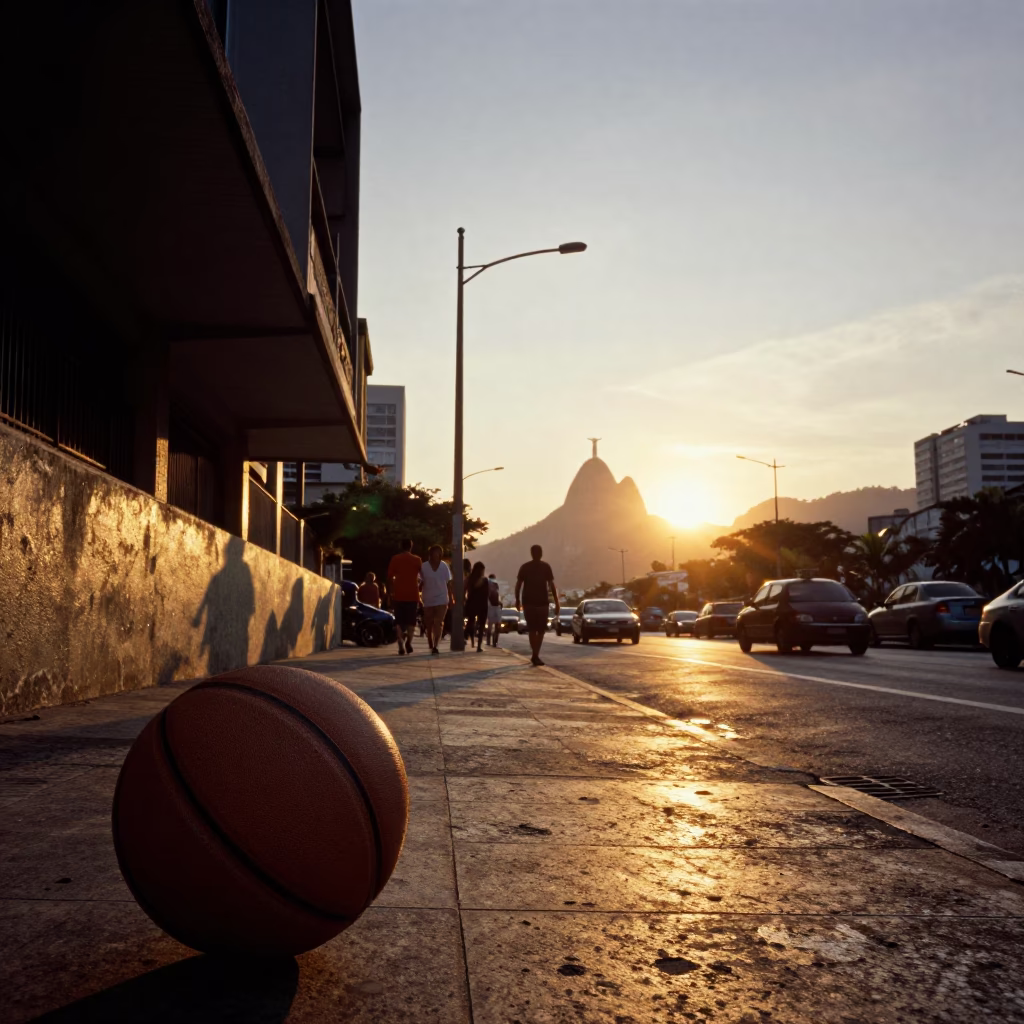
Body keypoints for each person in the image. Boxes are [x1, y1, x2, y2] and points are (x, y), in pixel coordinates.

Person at [515, 544, 558, 666]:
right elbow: (518, 584)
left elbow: (551, 585)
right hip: (532, 602)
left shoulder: (541, 567)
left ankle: (535, 655)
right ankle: (535, 655)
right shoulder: (532, 567)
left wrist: (517, 599)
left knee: (536, 630)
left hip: (538, 602)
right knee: (536, 630)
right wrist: (517, 600)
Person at [387, 539, 422, 655]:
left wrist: (391, 592)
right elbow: (422, 576)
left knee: (399, 621)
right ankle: (409, 642)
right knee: (411, 622)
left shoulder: (395, 559)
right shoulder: (417, 560)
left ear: (401, 546)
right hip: (413, 594)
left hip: (399, 595)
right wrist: (419, 587)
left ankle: (401, 642)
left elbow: (390, 577)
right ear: (411, 547)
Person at [420, 544, 454, 655]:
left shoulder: (444, 566)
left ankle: (435, 645)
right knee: (429, 623)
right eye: (436, 552)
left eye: (440, 553)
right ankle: (430, 640)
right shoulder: (424, 566)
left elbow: (448, 583)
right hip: (428, 599)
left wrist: (451, 598)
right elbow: (420, 583)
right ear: (431, 554)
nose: (438, 555)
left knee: (438, 623)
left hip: (442, 598)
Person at [465, 561, 490, 652]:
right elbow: (487, 594)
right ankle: (479, 646)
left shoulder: (470, 579)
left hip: (471, 603)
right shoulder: (485, 580)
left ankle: (466, 637)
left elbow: (466, 591)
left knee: (471, 622)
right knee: (481, 626)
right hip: (482, 605)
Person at [485, 573, 502, 648]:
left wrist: (499, 603)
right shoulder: (489, 585)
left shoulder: (495, 585)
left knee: (494, 625)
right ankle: (491, 642)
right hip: (492, 607)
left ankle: (493, 642)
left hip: (494, 607)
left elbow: (497, 596)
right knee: (493, 625)